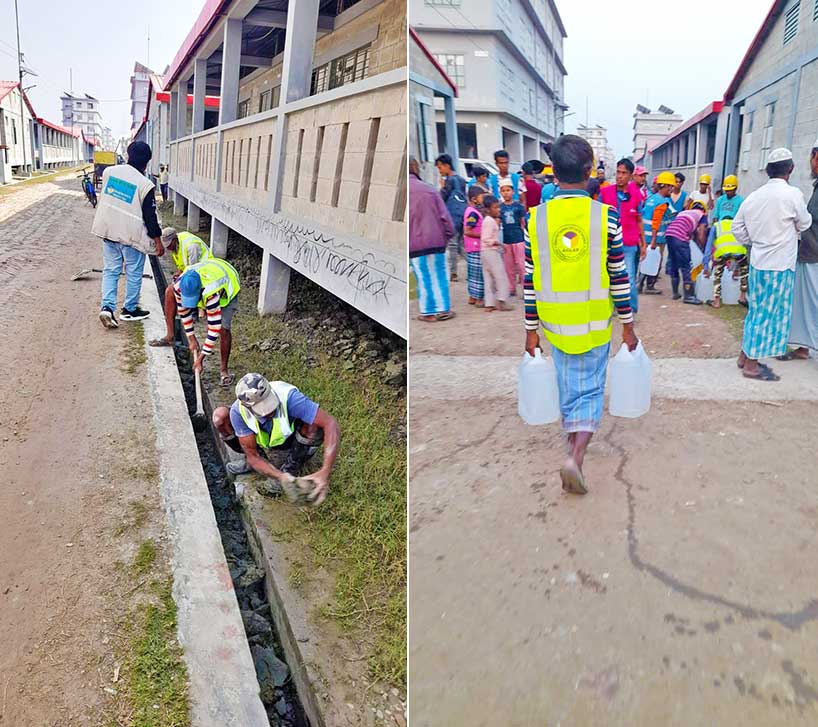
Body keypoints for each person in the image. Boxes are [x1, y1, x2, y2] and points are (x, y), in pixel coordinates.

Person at [524, 134, 636, 495]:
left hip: (555, 326)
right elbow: (619, 276)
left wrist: (530, 330)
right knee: (589, 390)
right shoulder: (607, 218)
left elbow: (529, 279)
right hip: (594, 325)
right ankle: (576, 454)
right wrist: (628, 326)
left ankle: (571, 440)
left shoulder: (534, 220)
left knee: (569, 386)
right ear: (590, 172)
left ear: (553, 172)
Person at [733, 148, 812, 381]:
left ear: (768, 170)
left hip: (759, 262)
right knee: (768, 314)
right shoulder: (792, 195)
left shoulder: (754, 196)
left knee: (756, 310)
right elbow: (805, 223)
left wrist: (755, 242)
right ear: (791, 169)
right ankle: (751, 364)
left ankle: (744, 355)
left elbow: (737, 228)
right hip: (780, 264)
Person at [213, 373, 340, 506]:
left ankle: (291, 467)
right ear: (248, 407)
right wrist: (281, 478)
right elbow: (253, 456)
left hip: (290, 438)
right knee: (220, 417)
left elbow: (330, 423)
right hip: (262, 439)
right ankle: (264, 465)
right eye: (262, 409)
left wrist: (325, 470)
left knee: (315, 426)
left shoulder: (289, 398)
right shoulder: (238, 413)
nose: (270, 411)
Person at [92, 140, 165, 328]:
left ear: (128, 154)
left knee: (111, 270)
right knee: (134, 272)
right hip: (130, 235)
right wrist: (158, 241)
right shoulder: (145, 184)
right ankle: (129, 309)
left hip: (107, 230)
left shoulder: (109, 172)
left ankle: (107, 308)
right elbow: (150, 217)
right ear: (147, 162)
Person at [779, 136, 818, 361]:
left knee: (811, 304)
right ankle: (804, 348)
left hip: (814, 255)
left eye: (811, 157)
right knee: (804, 304)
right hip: (808, 253)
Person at [175, 257, 241, 385]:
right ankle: (207, 310)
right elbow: (183, 312)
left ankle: (223, 371)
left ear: (200, 290)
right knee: (210, 315)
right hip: (210, 269)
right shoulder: (179, 285)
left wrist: (200, 358)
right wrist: (192, 338)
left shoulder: (211, 291)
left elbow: (214, 328)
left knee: (223, 328)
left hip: (228, 279)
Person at [409, 157, 456, 322]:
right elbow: (445, 217)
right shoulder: (430, 190)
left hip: (413, 244)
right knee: (439, 275)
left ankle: (427, 312)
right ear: (415, 168)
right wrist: (449, 234)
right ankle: (443, 309)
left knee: (422, 276)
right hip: (436, 241)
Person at [150, 227, 212, 346]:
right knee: (169, 292)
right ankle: (170, 335)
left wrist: (181, 278)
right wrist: (179, 273)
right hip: (192, 276)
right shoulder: (177, 246)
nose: (168, 249)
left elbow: (193, 273)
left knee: (172, 291)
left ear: (175, 239)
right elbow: (183, 266)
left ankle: (194, 314)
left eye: (169, 245)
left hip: (205, 277)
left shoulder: (191, 246)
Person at [600, 159, 646, 314]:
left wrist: (643, 244)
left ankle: (631, 310)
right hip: (607, 243)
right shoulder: (605, 193)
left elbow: (639, 220)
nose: (619, 176)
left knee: (629, 278)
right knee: (608, 277)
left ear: (630, 176)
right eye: (618, 172)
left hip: (629, 243)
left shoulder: (636, 196)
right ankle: (610, 307)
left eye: (624, 173)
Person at [640, 171, 678, 294]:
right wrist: (654, 241)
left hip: (646, 236)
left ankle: (640, 284)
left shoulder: (652, 198)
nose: (672, 189)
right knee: (655, 261)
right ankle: (650, 286)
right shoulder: (661, 202)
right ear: (665, 186)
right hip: (655, 239)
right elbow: (656, 223)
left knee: (646, 260)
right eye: (670, 187)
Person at [663, 201, 707, 304]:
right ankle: (689, 295)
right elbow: (701, 235)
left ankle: (675, 293)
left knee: (674, 263)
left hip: (669, 234)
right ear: (704, 210)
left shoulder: (684, 213)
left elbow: (689, 230)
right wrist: (704, 249)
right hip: (680, 237)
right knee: (686, 265)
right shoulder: (702, 215)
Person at [435, 154, 468, 283]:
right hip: (462, 215)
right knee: (460, 245)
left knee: (453, 245)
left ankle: (453, 272)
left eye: (440, 167)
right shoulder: (460, 179)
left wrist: (442, 187)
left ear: (447, 165)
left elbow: (441, 198)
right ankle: (472, 264)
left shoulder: (449, 181)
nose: (439, 170)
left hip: (452, 216)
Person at [703, 215, 748, 308]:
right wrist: (736, 270)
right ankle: (742, 297)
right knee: (744, 272)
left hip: (722, 252)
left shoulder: (716, 225)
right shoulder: (738, 225)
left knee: (717, 275)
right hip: (739, 252)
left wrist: (706, 266)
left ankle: (717, 301)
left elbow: (708, 246)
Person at [479, 195, 511, 312]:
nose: (499, 210)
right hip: (491, 251)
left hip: (484, 252)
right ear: (488, 210)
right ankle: (502, 300)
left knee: (488, 277)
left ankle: (489, 303)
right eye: (496, 207)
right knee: (500, 276)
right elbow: (486, 238)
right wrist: (497, 243)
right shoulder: (490, 221)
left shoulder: (487, 220)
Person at [499, 179, 527, 295]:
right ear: (500, 192)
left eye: (508, 190)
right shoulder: (499, 208)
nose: (506, 193)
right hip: (506, 240)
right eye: (503, 191)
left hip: (519, 239)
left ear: (513, 191)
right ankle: (511, 288)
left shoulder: (518, 206)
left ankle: (526, 288)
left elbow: (523, 222)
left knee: (521, 265)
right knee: (508, 267)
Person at [463, 186, 486, 306]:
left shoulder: (471, 211)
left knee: (472, 273)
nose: (483, 199)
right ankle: (479, 298)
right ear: (474, 199)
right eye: (481, 197)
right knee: (478, 274)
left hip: (471, 247)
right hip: (476, 247)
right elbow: (467, 231)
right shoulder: (473, 213)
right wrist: (483, 235)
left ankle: (472, 296)